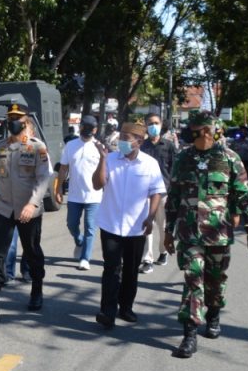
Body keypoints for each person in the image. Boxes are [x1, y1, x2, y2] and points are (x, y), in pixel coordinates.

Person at [164, 111, 248, 359]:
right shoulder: (183, 159)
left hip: (219, 232)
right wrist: (167, 231)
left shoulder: (230, 159)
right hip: (189, 233)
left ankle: (214, 313)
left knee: (215, 279)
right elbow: (174, 196)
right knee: (193, 278)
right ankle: (189, 334)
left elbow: (243, 196)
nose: (212, 134)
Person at [0, 105, 53, 324]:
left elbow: (42, 179)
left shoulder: (37, 148)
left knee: (32, 251)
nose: (13, 122)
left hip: (28, 209)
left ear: (26, 122)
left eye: (17, 119)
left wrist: (33, 204)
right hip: (3, 208)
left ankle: (36, 289)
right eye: (10, 118)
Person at [91, 121, 166, 329]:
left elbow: (156, 192)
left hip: (136, 227)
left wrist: (150, 218)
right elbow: (97, 184)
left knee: (131, 271)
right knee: (111, 269)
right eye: (121, 136)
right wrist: (102, 160)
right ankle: (107, 311)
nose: (122, 141)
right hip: (111, 225)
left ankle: (126, 307)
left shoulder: (150, 164)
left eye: (127, 138)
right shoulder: (111, 159)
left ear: (139, 141)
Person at [55, 114, 103, 271]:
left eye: (90, 129)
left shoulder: (99, 147)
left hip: (94, 196)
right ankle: (79, 240)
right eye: (84, 127)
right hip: (75, 196)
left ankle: (85, 258)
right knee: (71, 224)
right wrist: (59, 188)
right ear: (80, 127)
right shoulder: (71, 145)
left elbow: (105, 171)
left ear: (95, 130)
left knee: (90, 227)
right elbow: (63, 168)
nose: (86, 131)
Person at [138, 112, 177, 272]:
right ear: (146, 126)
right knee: (148, 225)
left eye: (156, 123)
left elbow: (175, 170)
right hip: (145, 193)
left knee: (163, 226)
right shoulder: (142, 146)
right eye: (150, 123)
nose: (153, 126)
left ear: (161, 125)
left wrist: (174, 192)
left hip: (164, 194)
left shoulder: (169, 146)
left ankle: (163, 251)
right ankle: (148, 259)